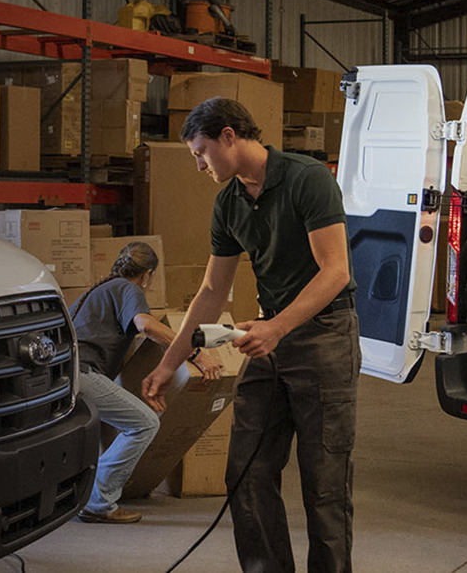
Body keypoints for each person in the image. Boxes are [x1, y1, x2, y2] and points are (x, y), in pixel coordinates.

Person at [141, 97, 360, 572]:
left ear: (228, 136)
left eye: (200, 152)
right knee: (246, 470)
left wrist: (278, 327)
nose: (199, 165)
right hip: (267, 335)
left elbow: (335, 271)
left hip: (323, 335)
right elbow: (211, 291)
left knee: (324, 482)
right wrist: (167, 364)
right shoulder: (228, 203)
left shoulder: (308, 179)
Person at [70, 241, 224, 524]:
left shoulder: (97, 292)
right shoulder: (129, 289)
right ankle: (98, 501)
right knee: (144, 422)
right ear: (148, 275)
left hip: (64, 375)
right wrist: (195, 354)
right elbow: (145, 324)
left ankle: (90, 496)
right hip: (83, 373)